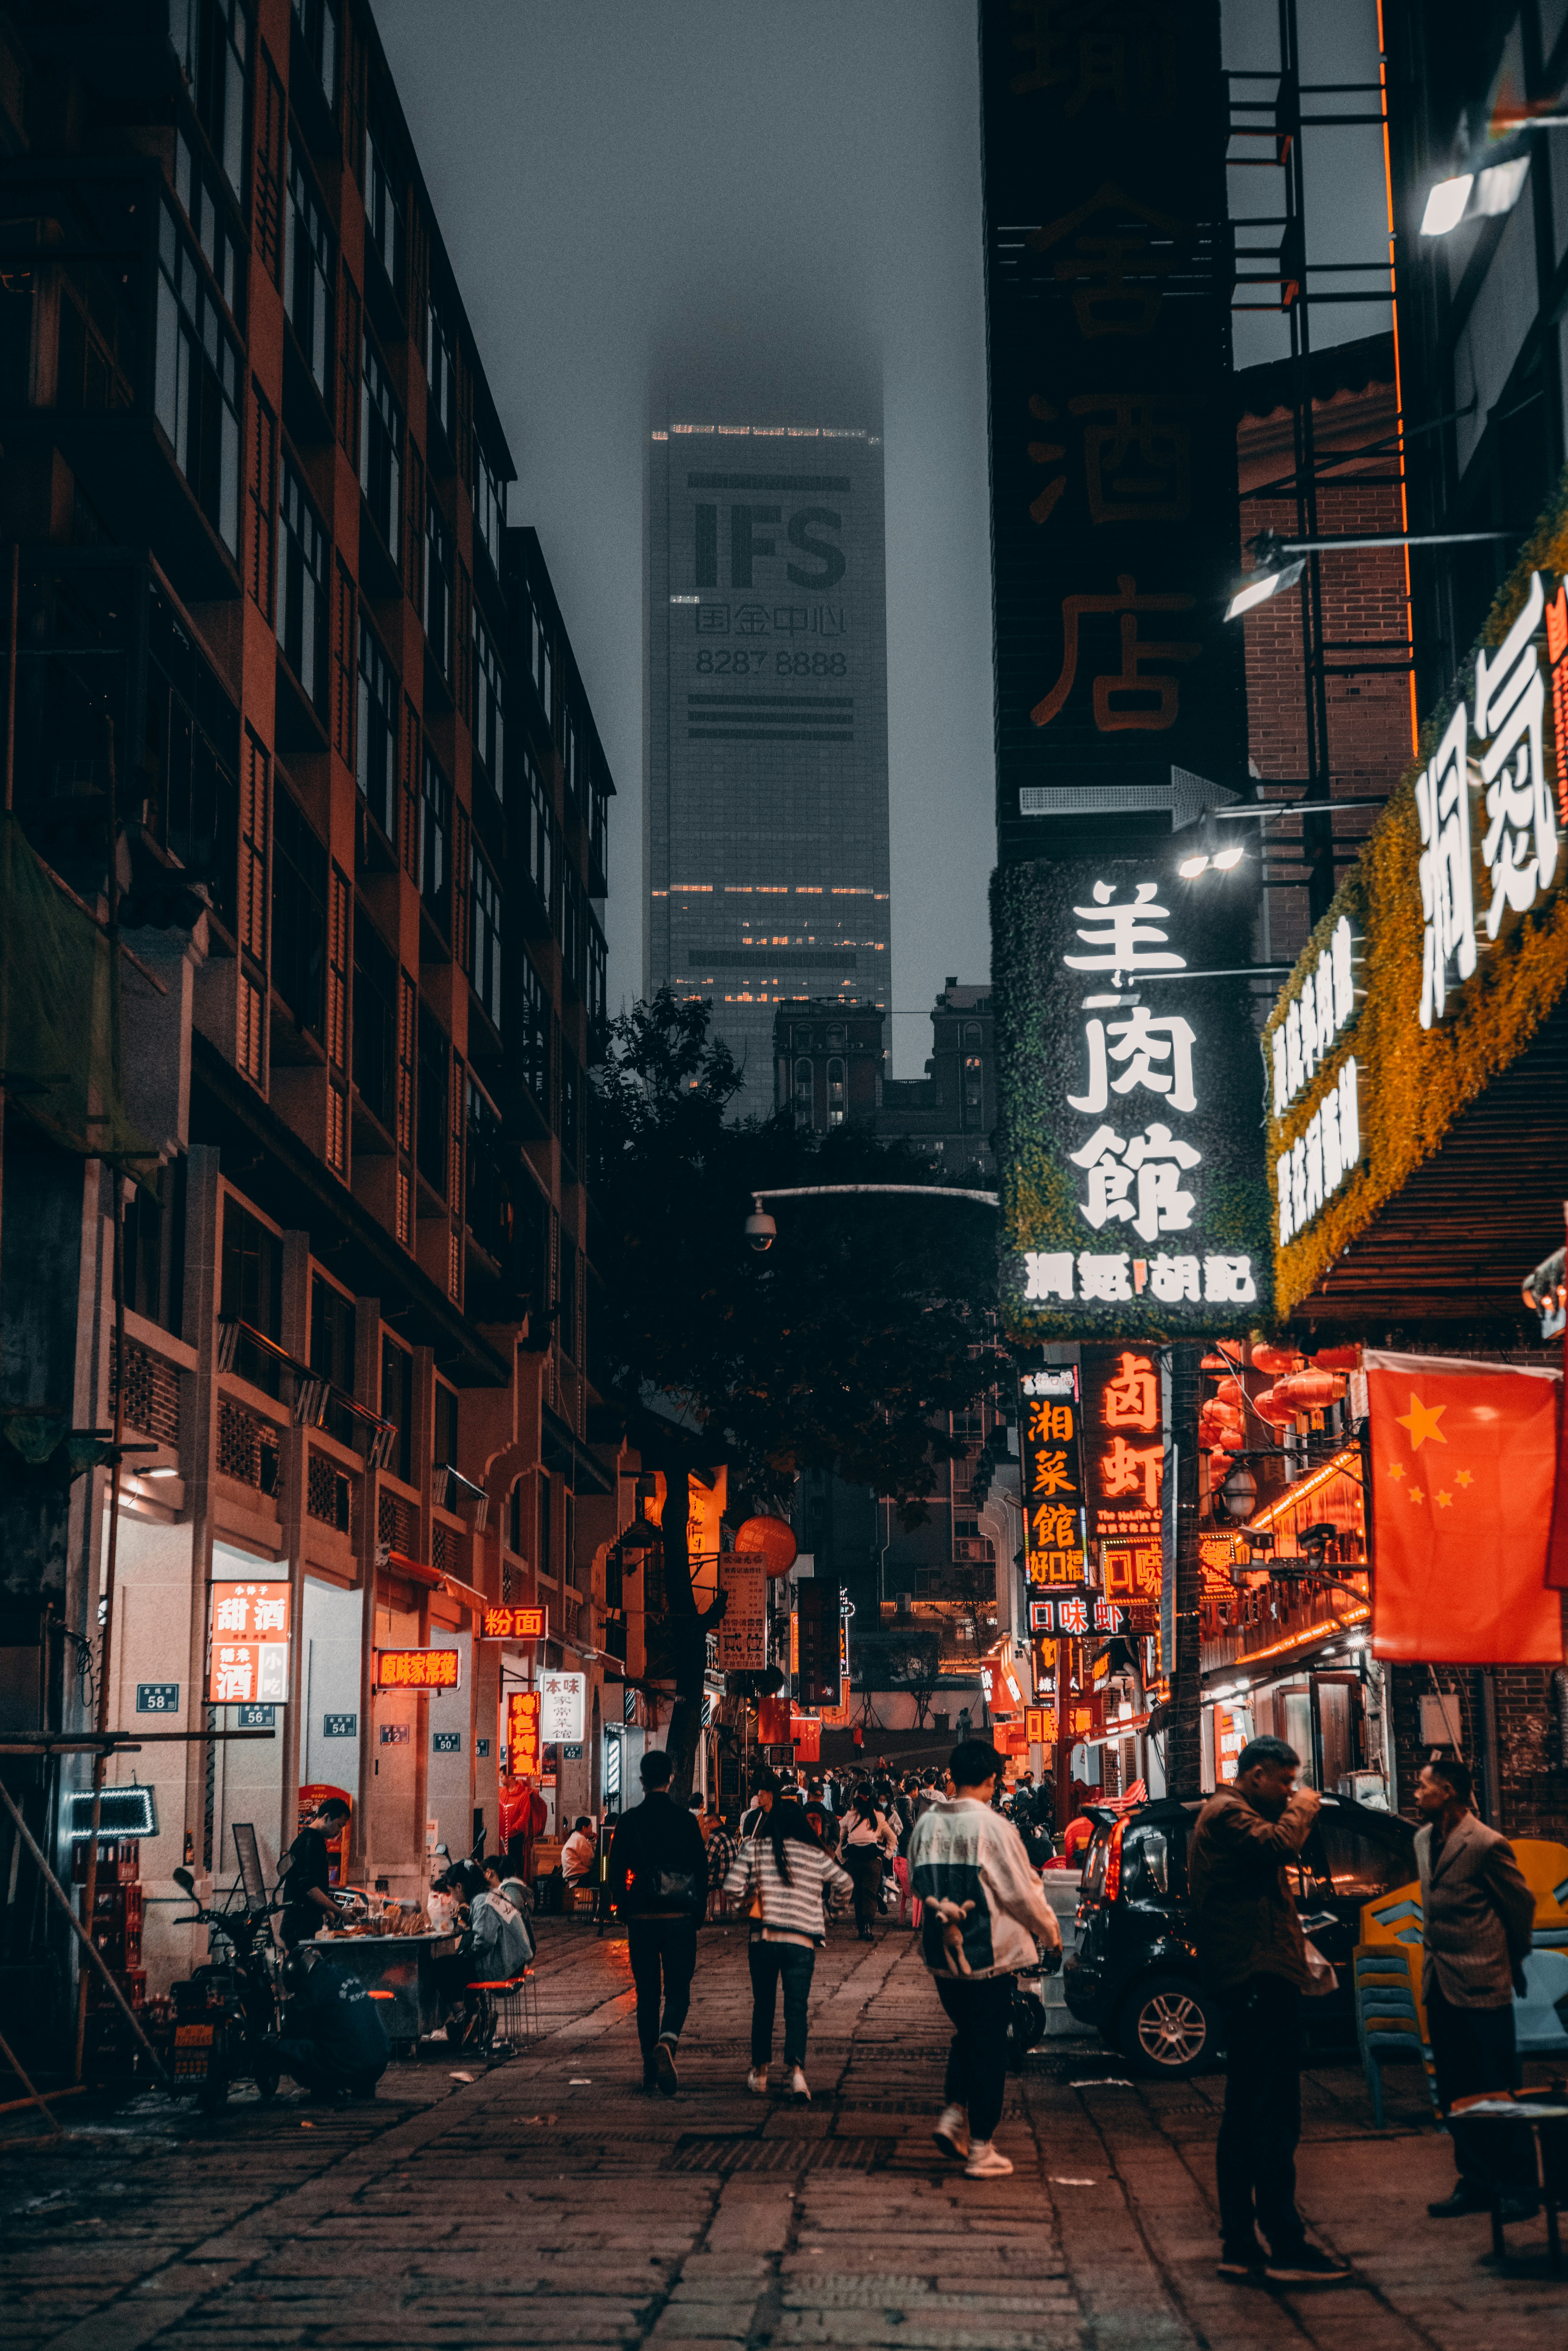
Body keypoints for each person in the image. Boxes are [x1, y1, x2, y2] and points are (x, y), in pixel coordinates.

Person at [1189, 1736, 1350, 2286]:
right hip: (1254, 1979)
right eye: (1283, 1781)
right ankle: (1282, 2242)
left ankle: (1242, 2240)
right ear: (1255, 1774)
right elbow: (1278, 1844)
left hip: (1258, 1973)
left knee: (1248, 2112)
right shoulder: (1228, 1813)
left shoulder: (1228, 1813)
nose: (1288, 1792)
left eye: (1292, 1783)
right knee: (1270, 2112)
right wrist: (1307, 1801)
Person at [908, 1738, 1061, 2180]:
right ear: (993, 1780)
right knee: (990, 2045)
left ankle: (954, 2114)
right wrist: (1050, 1932)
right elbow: (1020, 1891)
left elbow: (920, 1885)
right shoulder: (993, 1827)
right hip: (987, 1957)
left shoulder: (926, 1825)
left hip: (941, 1956)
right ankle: (981, 2146)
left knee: (968, 2034)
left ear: (953, 1776)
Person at [1414, 1757, 1538, 2222]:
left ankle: (1518, 2185)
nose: (1417, 1794)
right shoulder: (1423, 1840)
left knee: (1497, 2088)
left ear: (1447, 1791)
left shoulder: (1487, 1844)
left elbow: (1519, 1903)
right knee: (1456, 2089)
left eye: (1423, 1787)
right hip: (1440, 1982)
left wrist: (1514, 1956)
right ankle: (1476, 2181)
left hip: (1483, 1980)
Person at [725, 1799, 854, 2101]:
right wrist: (826, 1916)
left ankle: (761, 2073)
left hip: (763, 1940)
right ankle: (797, 2074)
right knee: (797, 2008)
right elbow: (844, 1884)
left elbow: (731, 1885)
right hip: (802, 1943)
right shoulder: (815, 1853)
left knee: (764, 2006)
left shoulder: (754, 1849)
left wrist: (748, 1908)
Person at [608, 1750, 707, 2094]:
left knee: (647, 1993)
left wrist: (622, 1904)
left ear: (641, 1781)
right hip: (680, 1917)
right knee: (679, 1989)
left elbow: (615, 1869)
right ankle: (668, 2040)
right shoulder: (686, 1821)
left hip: (643, 1919)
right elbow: (701, 1869)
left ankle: (650, 2067)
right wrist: (698, 1911)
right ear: (671, 1778)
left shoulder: (629, 1820)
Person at [268, 1946, 390, 2099]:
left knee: (286, 2048)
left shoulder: (310, 1986)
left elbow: (295, 2030)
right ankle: (363, 2086)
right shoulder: (344, 1972)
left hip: (351, 2065)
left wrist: (275, 2044)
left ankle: (327, 2089)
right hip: (379, 2062)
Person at [277, 1796, 350, 1949]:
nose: (339, 1832)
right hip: (299, 1924)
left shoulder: (315, 1840)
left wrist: (326, 1909)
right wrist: (339, 1911)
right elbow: (309, 1887)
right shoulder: (309, 1843)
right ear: (327, 1817)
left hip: (305, 1922)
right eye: (339, 1826)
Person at [841, 1789, 898, 1940]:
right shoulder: (879, 1817)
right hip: (873, 1862)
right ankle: (868, 1926)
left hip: (853, 1863)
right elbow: (893, 1838)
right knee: (870, 1895)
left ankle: (861, 1929)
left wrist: (842, 1860)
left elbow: (841, 1840)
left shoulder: (850, 1817)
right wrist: (886, 1856)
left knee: (858, 1896)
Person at [561, 1816, 597, 1892]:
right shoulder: (581, 1840)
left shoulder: (575, 1837)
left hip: (571, 1877)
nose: (592, 1831)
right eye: (591, 1828)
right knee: (604, 1877)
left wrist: (591, 1839)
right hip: (578, 1878)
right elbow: (590, 1863)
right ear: (584, 1828)